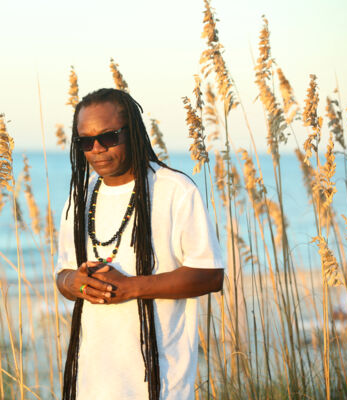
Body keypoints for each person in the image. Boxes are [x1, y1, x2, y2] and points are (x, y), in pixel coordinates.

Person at [55, 88, 224, 400]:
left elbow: (210, 275)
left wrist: (131, 287)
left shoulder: (174, 190)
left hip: (159, 384)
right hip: (92, 382)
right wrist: (74, 282)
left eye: (107, 137)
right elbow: (62, 276)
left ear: (132, 132)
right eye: (84, 141)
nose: (96, 149)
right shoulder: (79, 197)